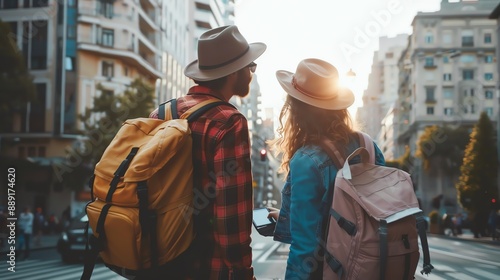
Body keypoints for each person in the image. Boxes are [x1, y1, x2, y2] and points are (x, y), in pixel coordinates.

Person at [149, 25, 266, 280]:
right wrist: (243, 272)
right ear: (234, 72)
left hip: (158, 261)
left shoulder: (161, 113)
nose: (252, 72)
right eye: (250, 66)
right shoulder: (229, 120)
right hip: (207, 267)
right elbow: (230, 214)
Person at [267, 58, 386, 279]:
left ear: (295, 110)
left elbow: (305, 249)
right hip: (373, 267)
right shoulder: (368, 146)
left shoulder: (306, 160)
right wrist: (288, 215)